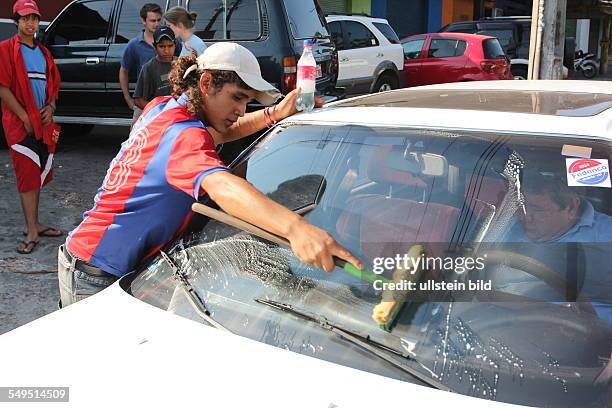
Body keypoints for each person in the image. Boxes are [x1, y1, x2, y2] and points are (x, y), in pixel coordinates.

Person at [58, 42, 362, 307]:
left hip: (91, 258)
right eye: (237, 97)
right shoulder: (184, 137)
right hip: (96, 275)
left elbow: (224, 131)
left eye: (247, 101)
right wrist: (296, 229)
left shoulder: (163, 108)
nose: (242, 110)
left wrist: (274, 114)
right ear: (206, 83)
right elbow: (222, 186)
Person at [0, 0, 62, 255]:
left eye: (34, 18)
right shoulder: (5, 49)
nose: (30, 23)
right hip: (19, 123)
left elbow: (52, 87)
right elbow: (2, 87)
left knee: (36, 173)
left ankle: (35, 223)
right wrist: (24, 116)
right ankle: (31, 230)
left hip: (42, 122)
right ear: (16, 22)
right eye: (25, 18)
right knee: (26, 175)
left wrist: (51, 107)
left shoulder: (43, 53)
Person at [119, 3, 180, 121]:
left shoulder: (173, 42)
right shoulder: (134, 45)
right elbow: (124, 71)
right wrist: (128, 100)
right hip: (145, 103)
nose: (156, 24)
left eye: (158, 20)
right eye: (152, 20)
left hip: (169, 106)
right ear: (143, 21)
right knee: (140, 136)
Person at [133, 26, 176, 111]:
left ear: (175, 45)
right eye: (162, 46)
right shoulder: (148, 68)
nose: (166, 51)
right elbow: (138, 100)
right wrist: (158, 111)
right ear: (154, 46)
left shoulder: (180, 65)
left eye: (170, 46)